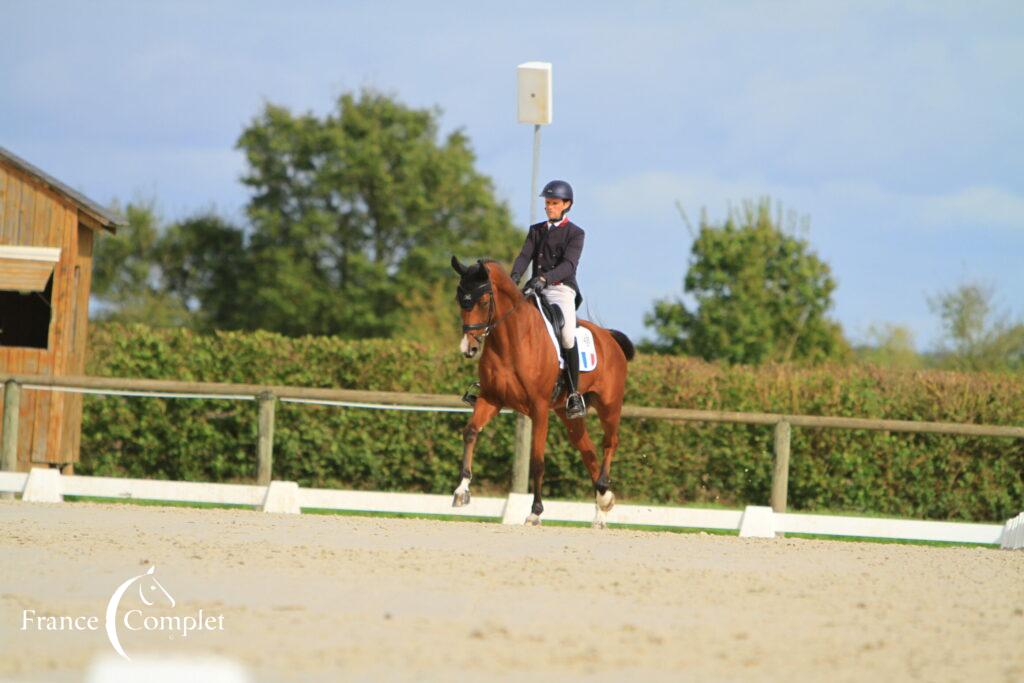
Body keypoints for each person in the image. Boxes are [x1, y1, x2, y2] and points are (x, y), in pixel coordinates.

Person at [510, 179, 587, 419]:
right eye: (547, 202)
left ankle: (574, 394)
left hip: (561, 288)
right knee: (507, 321)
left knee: (566, 335)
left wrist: (544, 279)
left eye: (553, 203)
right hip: (535, 289)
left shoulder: (575, 233)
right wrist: (513, 278)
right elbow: (524, 256)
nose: (548, 207)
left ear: (566, 205)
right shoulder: (536, 230)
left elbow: (569, 265)